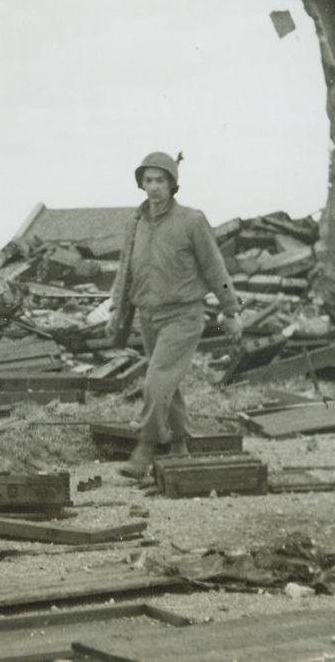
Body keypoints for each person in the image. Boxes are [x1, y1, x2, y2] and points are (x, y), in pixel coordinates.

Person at [106, 152, 243, 480]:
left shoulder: (192, 221)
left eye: (160, 180)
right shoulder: (135, 223)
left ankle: (146, 446)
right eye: (148, 180)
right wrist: (115, 309)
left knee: (156, 380)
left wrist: (231, 310)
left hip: (183, 316)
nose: (153, 187)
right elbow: (125, 270)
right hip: (147, 317)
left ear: (172, 184)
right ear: (141, 183)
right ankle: (180, 443)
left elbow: (215, 268)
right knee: (168, 381)